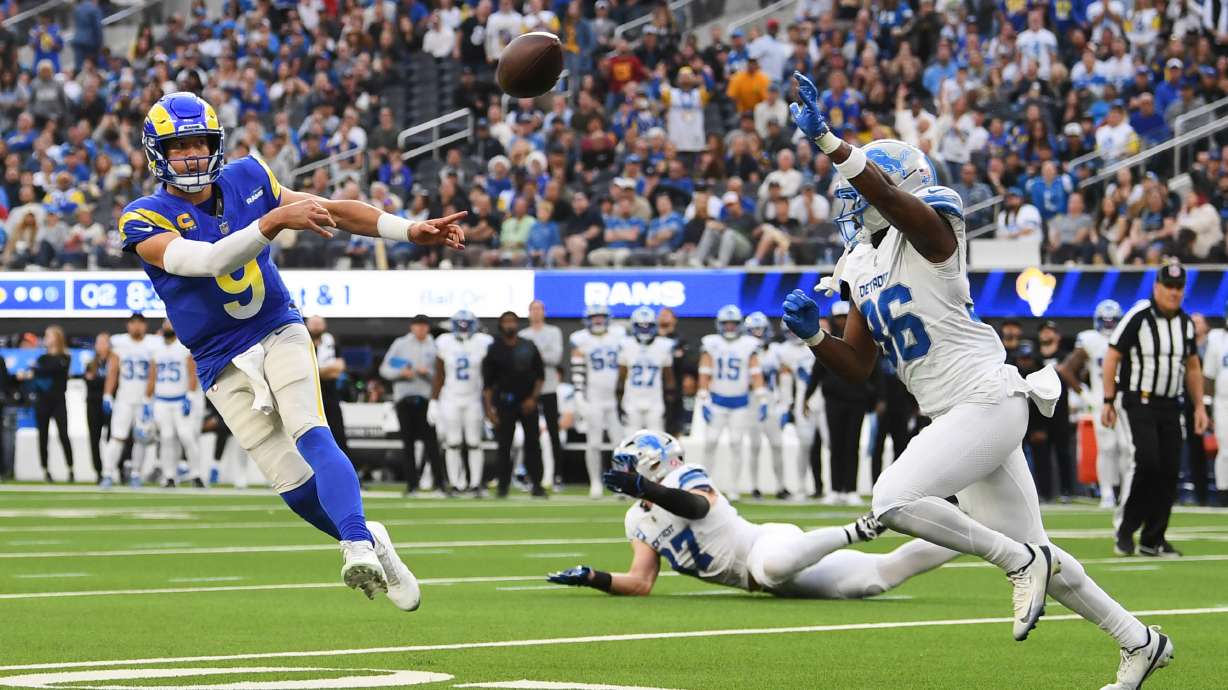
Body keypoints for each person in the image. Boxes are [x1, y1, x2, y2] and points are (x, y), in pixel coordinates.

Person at [782, 73, 1171, 688]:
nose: (846, 203)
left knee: (892, 500)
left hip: (988, 397)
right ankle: (1138, 641)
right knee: (1047, 557)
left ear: (893, 183)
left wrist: (832, 140)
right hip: (957, 416)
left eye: (856, 190)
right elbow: (858, 365)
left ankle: (1017, 563)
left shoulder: (935, 219)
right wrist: (813, 338)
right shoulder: (860, 263)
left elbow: (893, 203)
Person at [119, 92, 462, 610]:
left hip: (275, 326)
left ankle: (354, 541)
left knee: (310, 430)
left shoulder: (248, 177)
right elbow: (208, 261)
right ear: (157, 152)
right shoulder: (143, 216)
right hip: (218, 359)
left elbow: (332, 212)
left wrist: (407, 229)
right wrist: (271, 223)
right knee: (291, 482)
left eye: (199, 144)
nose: (191, 156)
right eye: (180, 146)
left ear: (217, 145)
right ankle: (369, 537)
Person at [547, 430, 957, 598]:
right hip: (762, 581)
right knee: (878, 577)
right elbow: (640, 582)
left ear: (652, 465)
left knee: (772, 565)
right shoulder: (637, 519)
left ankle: (859, 528)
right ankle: (982, 529)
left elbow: (697, 506)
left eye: (629, 466)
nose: (624, 474)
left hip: (765, 545)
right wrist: (593, 578)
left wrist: (646, 488)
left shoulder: (685, 479)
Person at [1102, 263, 1206, 559]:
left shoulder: (1186, 323)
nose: (1174, 293)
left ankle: (1153, 538)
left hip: (1171, 403)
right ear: (1157, 287)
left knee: (1170, 469)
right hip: (1139, 400)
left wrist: (1199, 406)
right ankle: (1125, 529)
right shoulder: (1138, 316)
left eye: (1179, 288)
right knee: (1147, 462)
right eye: (1169, 287)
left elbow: (1193, 367)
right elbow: (1112, 356)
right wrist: (1109, 400)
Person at [1058, 300, 1130, 512]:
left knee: (1127, 447)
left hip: (1125, 400)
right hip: (1101, 399)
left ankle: (1126, 493)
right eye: (1105, 321)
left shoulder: (1128, 338)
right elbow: (1066, 369)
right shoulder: (1091, 340)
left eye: (1112, 321)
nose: (1108, 326)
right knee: (1107, 448)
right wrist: (1087, 395)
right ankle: (1107, 493)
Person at [697, 305, 768, 500]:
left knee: (736, 443)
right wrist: (703, 399)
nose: (729, 328)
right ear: (719, 325)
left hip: (740, 403)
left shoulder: (748, 344)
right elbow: (704, 370)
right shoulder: (711, 343)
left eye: (733, 324)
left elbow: (756, 372)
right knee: (710, 442)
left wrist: (762, 399)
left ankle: (734, 487)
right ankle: (705, 484)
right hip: (717, 401)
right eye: (726, 324)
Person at [380, 315, 448, 496]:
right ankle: (412, 485)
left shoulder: (435, 346)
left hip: (427, 399)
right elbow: (384, 369)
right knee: (407, 443)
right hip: (405, 398)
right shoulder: (400, 344)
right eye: (418, 326)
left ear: (428, 328)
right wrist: (401, 373)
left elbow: (442, 374)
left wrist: (427, 373)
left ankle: (440, 485)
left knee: (432, 443)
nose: (421, 329)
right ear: (412, 327)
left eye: (424, 326)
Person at [482, 311, 546, 498]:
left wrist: (533, 399)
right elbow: (487, 383)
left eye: (512, 321)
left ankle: (537, 484)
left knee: (533, 444)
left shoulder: (528, 346)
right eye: (506, 322)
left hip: (527, 402)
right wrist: (489, 410)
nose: (510, 325)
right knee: (504, 446)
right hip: (504, 402)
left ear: (517, 324)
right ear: (501, 325)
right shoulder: (494, 349)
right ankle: (503, 486)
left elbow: (540, 376)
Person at [431, 310, 493, 494]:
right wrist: (433, 401)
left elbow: (488, 375)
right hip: (451, 397)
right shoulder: (444, 342)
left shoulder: (483, 342)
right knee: (453, 442)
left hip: (473, 397)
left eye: (467, 323)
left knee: (474, 441)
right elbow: (439, 374)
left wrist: (489, 404)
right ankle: (456, 483)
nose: (464, 327)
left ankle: (475, 483)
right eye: (461, 323)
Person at [569, 303, 626, 497]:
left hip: (614, 399)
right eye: (595, 317)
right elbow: (577, 368)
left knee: (620, 443)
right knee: (593, 443)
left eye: (601, 316)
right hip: (594, 397)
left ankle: (621, 483)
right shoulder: (581, 340)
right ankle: (595, 482)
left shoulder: (618, 336)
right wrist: (578, 394)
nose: (598, 320)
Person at [145, 319, 203, 488]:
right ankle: (169, 476)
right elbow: (152, 376)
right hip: (162, 400)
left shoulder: (184, 347)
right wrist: (146, 400)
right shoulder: (156, 349)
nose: (168, 327)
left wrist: (190, 396)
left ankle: (196, 474)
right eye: (166, 325)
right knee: (166, 437)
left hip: (180, 399)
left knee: (186, 436)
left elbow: (192, 372)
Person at [100, 313, 155, 488]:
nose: (137, 326)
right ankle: (107, 473)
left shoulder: (153, 344)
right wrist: (108, 394)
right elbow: (113, 371)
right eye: (133, 323)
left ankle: (136, 474)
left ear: (145, 325)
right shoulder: (120, 343)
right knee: (117, 437)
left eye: (140, 323)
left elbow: (153, 373)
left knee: (141, 438)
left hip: (144, 399)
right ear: (128, 325)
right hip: (124, 398)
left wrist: (148, 398)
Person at [519, 300, 565, 487]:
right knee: (529, 434)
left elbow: (556, 357)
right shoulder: (523, 334)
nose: (536, 312)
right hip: (528, 390)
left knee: (554, 433)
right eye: (533, 309)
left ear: (544, 312)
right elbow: (521, 362)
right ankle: (531, 474)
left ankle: (557, 475)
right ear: (529, 312)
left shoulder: (553, 332)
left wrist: (534, 358)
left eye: (539, 309)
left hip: (548, 387)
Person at [743, 311, 788, 499]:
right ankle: (754, 486)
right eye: (754, 330)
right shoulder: (743, 349)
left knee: (777, 444)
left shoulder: (776, 350)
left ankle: (781, 486)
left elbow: (784, 374)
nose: (758, 334)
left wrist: (785, 403)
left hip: (770, 401)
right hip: (752, 401)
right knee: (755, 445)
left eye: (760, 330)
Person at [25, 326, 75, 482]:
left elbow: (53, 369)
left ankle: (71, 468)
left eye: (49, 336)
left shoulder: (65, 357)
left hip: (59, 401)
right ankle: (45, 470)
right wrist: (34, 371)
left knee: (63, 434)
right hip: (43, 402)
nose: (46, 339)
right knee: (43, 436)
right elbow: (38, 372)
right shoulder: (42, 358)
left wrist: (35, 371)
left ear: (57, 338)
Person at [776, 323, 818, 497]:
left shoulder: (816, 344)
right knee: (805, 444)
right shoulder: (781, 350)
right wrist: (786, 406)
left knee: (830, 443)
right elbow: (784, 382)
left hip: (821, 398)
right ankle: (801, 485)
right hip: (801, 400)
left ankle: (832, 487)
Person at [617, 306, 675, 432]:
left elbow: (669, 378)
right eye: (641, 326)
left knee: (657, 439)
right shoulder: (626, 345)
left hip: (655, 400)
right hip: (631, 400)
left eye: (648, 326)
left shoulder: (663, 345)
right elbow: (622, 377)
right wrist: (619, 401)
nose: (644, 330)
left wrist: (670, 405)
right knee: (630, 439)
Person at [307, 316, 352, 467]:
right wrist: (326, 370)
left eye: (319, 323)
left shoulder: (331, 342)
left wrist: (315, 371)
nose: (316, 327)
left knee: (339, 436)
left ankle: (348, 472)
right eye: (313, 323)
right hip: (308, 396)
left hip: (330, 397)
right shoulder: (301, 342)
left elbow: (338, 369)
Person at [1203, 303, 1228, 507]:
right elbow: (1209, 377)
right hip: (1224, 402)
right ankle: (1223, 493)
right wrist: (1207, 405)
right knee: (1226, 450)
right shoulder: (1217, 339)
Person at [83, 333, 111, 482]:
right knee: (94, 438)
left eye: (104, 342)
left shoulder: (114, 362)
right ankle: (99, 471)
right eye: (98, 342)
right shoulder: (90, 363)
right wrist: (104, 382)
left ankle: (115, 468)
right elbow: (88, 382)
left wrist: (98, 381)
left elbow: (112, 382)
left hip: (110, 404)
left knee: (115, 436)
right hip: (93, 404)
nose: (101, 346)